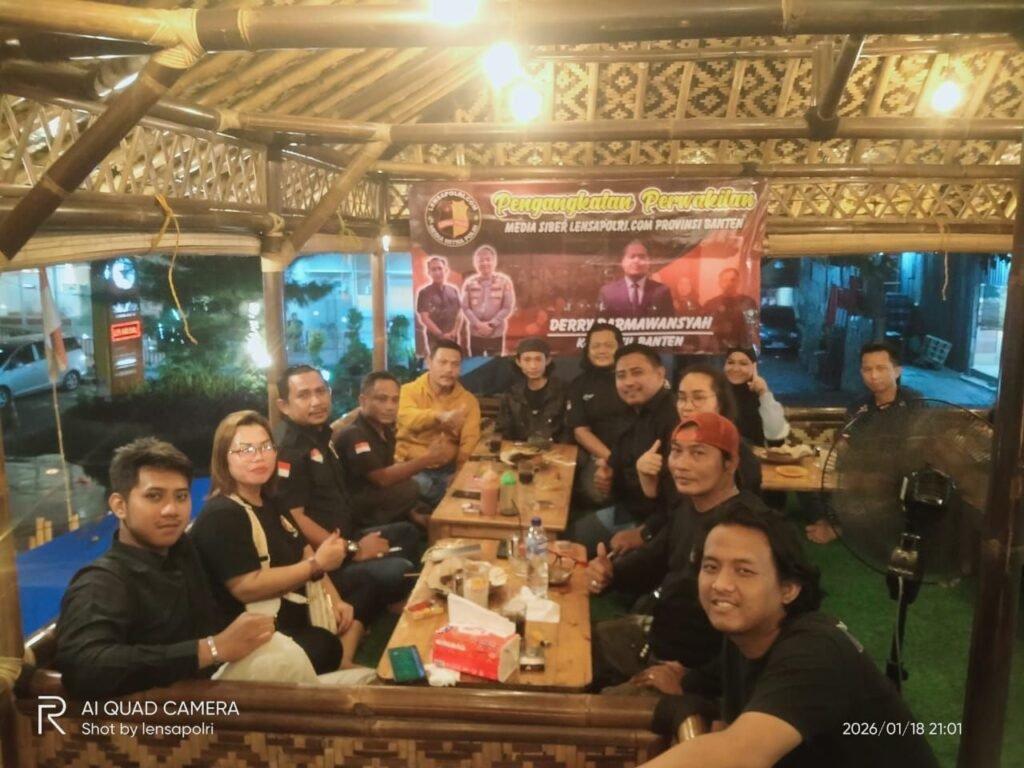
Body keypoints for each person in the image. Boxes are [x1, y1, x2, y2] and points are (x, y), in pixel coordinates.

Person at [640, 505, 939, 768]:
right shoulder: (744, 637)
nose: (720, 584)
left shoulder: (814, 652)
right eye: (711, 567)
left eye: (744, 571)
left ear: (788, 589)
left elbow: (741, 755)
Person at [56, 438, 277, 698]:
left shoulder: (183, 551)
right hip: (168, 715)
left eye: (181, 496)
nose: (171, 510)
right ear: (119, 506)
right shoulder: (102, 582)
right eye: (154, 496)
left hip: (216, 689)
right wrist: (211, 649)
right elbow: (83, 667)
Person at [589, 414, 767, 694]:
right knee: (573, 644)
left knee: (588, 712)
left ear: (730, 463)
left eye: (698, 453)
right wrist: (611, 572)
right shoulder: (689, 506)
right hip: (657, 639)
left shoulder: (746, 531)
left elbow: (763, 633)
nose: (681, 464)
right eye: (677, 451)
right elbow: (654, 561)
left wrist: (692, 681)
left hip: (693, 675)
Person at [191, 411, 356, 671]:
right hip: (250, 631)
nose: (259, 457)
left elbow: (305, 551)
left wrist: (335, 600)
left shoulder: (271, 500)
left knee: (361, 589)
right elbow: (246, 587)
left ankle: (340, 656)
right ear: (223, 457)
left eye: (266, 447)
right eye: (245, 450)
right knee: (325, 645)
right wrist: (316, 565)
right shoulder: (222, 514)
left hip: (292, 606)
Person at [274, 365, 419, 619]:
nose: (316, 401)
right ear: (284, 406)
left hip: (347, 533)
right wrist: (354, 549)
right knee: (401, 570)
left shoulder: (319, 434)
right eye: (304, 395)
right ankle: (369, 605)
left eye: (321, 391)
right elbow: (294, 518)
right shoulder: (290, 450)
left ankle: (384, 600)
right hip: (326, 558)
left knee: (407, 533)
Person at [614, 362, 763, 556]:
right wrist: (648, 483)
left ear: (720, 403)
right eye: (682, 398)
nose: (687, 406)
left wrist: (645, 534)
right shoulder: (680, 440)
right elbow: (673, 509)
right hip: (670, 537)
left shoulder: (738, 456)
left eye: (698, 398)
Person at [806, 342, 923, 544]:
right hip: (857, 468)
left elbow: (914, 447)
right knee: (811, 483)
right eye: (867, 369)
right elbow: (843, 441)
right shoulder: (859, 406)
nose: (873, 375)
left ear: (897, 371)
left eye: (880, 368)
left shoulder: (913, 403)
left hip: (897, 477)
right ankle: (829, 520)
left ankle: (840, 526)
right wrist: (845, 451)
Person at [570, 343, 677, 557]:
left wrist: (645, 533)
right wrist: (609, 473)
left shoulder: (673, 416)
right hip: (627, 508)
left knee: (572, 544)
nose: (628, 382)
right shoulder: (630, 412)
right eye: (621, 376)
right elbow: (618, 462)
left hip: (658, 525)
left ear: (660, 374)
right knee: (568, 529)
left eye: (637, 373)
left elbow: (681, 499)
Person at [336, 371, 453, 528]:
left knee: (420, 491)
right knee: (412, 487)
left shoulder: (385, 431)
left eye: (395, 400)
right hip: (353, 506)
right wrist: (427, 459)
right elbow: (382, 478)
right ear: (363, 401)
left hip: (378, 497)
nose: (390, 407)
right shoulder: (354, 434)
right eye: (382, 399)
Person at [395, 339, 481, 508]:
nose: (449, 369)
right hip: (411, 468)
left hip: (447, 469)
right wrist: (439, 417)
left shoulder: (468, 401)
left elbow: (469, 442)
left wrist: (460, 473)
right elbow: (406, 417)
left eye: (455, 364)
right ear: (429, 362)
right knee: (424, 487)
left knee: (480, 490)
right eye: (443, 362)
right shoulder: (407, 391)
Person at [565, 322, 633, 505]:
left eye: (608, 345)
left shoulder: (633, 380)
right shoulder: (579, 384)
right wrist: (612, 461)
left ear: (620, 347)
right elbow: (581, 432)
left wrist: (625, 464)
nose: (602, 350)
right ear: (587, 350)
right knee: (598, 493)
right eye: (595, 346)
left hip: (635, 454)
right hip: (599, 456)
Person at [496, 337, 568, 442]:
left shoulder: (563, 391)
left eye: (538, 359)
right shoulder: (511, 395)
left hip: (556, 450)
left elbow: (569, 430)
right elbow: (503, 430)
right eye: (527, 360)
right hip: (520, 450)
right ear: (518, 362)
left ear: (547, 360)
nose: (533, 366)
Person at [723, 347, 789, 446]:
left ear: (754, 367)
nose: (735, 368)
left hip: (753, 454)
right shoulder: (716, 393)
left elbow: (776, 436)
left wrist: (764, 393)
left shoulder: (761, 397)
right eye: (730, 362)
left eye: (743, 364)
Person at [461, 244, 516, 357]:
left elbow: (507, 307)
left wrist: (491, 324)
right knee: (476, 363)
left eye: (488, 259)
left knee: (495, 363)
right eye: (481, 260)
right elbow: (465, 307)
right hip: (475, 333)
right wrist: (478, 324)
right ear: (475, 263)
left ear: (494, 261)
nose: (485, 263)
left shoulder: (504, 281)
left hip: (495, 333)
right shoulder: (469, 283)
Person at [597, 240, 674, 317]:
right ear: (622, 262)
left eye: (642, 257)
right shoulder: (607, 293)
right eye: (632, 256)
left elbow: (669, 321)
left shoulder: (662, 291)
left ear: (649, 262)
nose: (637, 260)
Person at [701, 267, 759, 349]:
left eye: (733, 280)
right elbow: (704, 329)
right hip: (718, 349)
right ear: (720, 283)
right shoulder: (710, 304)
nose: (729, 283)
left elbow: (754, 328)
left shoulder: (748, 302)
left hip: (742, 349)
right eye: (725, 280)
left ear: (738, 282)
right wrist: (719, 328)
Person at [416, 255, 463, 355]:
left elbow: (459, 313)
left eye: (440, 268)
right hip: (435, 339)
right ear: (429, 272)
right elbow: (424, 318)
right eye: (433, 270)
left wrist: (455, 331)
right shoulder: (424, 293)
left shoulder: (453, 290)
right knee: (439, 361)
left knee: (453, 359)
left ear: (445, 270)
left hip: (453, 337)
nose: (437, 272)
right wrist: (441, 335)